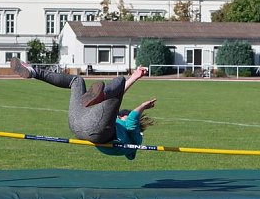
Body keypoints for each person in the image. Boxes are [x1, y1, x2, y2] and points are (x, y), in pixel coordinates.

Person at [11, 58, 156, 159]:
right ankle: (33, 71)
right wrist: (135, 77)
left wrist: (142, 106)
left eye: (121, 115)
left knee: (119, 81)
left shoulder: (134, 140)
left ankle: (101, 96)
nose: (119, 115)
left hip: (97, 130)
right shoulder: (114, 121)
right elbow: (118, 97)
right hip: (78, 123)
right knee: (77, 80)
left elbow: (131, 119)